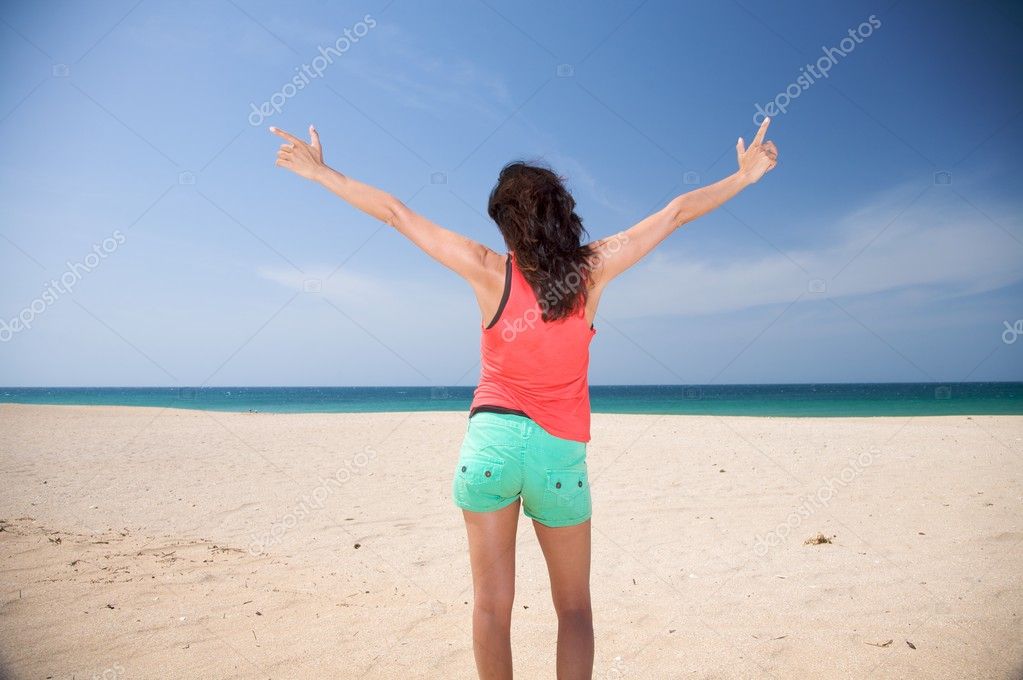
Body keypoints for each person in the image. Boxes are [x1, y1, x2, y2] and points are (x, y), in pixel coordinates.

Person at [271, 118, 778, 679]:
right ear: (563, 214)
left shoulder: (490, 271)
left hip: (491, 446)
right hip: (558, 457)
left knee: (491, 608)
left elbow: (396, 213)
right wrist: (745, 178)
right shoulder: (593, 271)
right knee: (575, 609)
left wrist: (320, 173)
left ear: (507, 228)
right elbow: (676, 212)